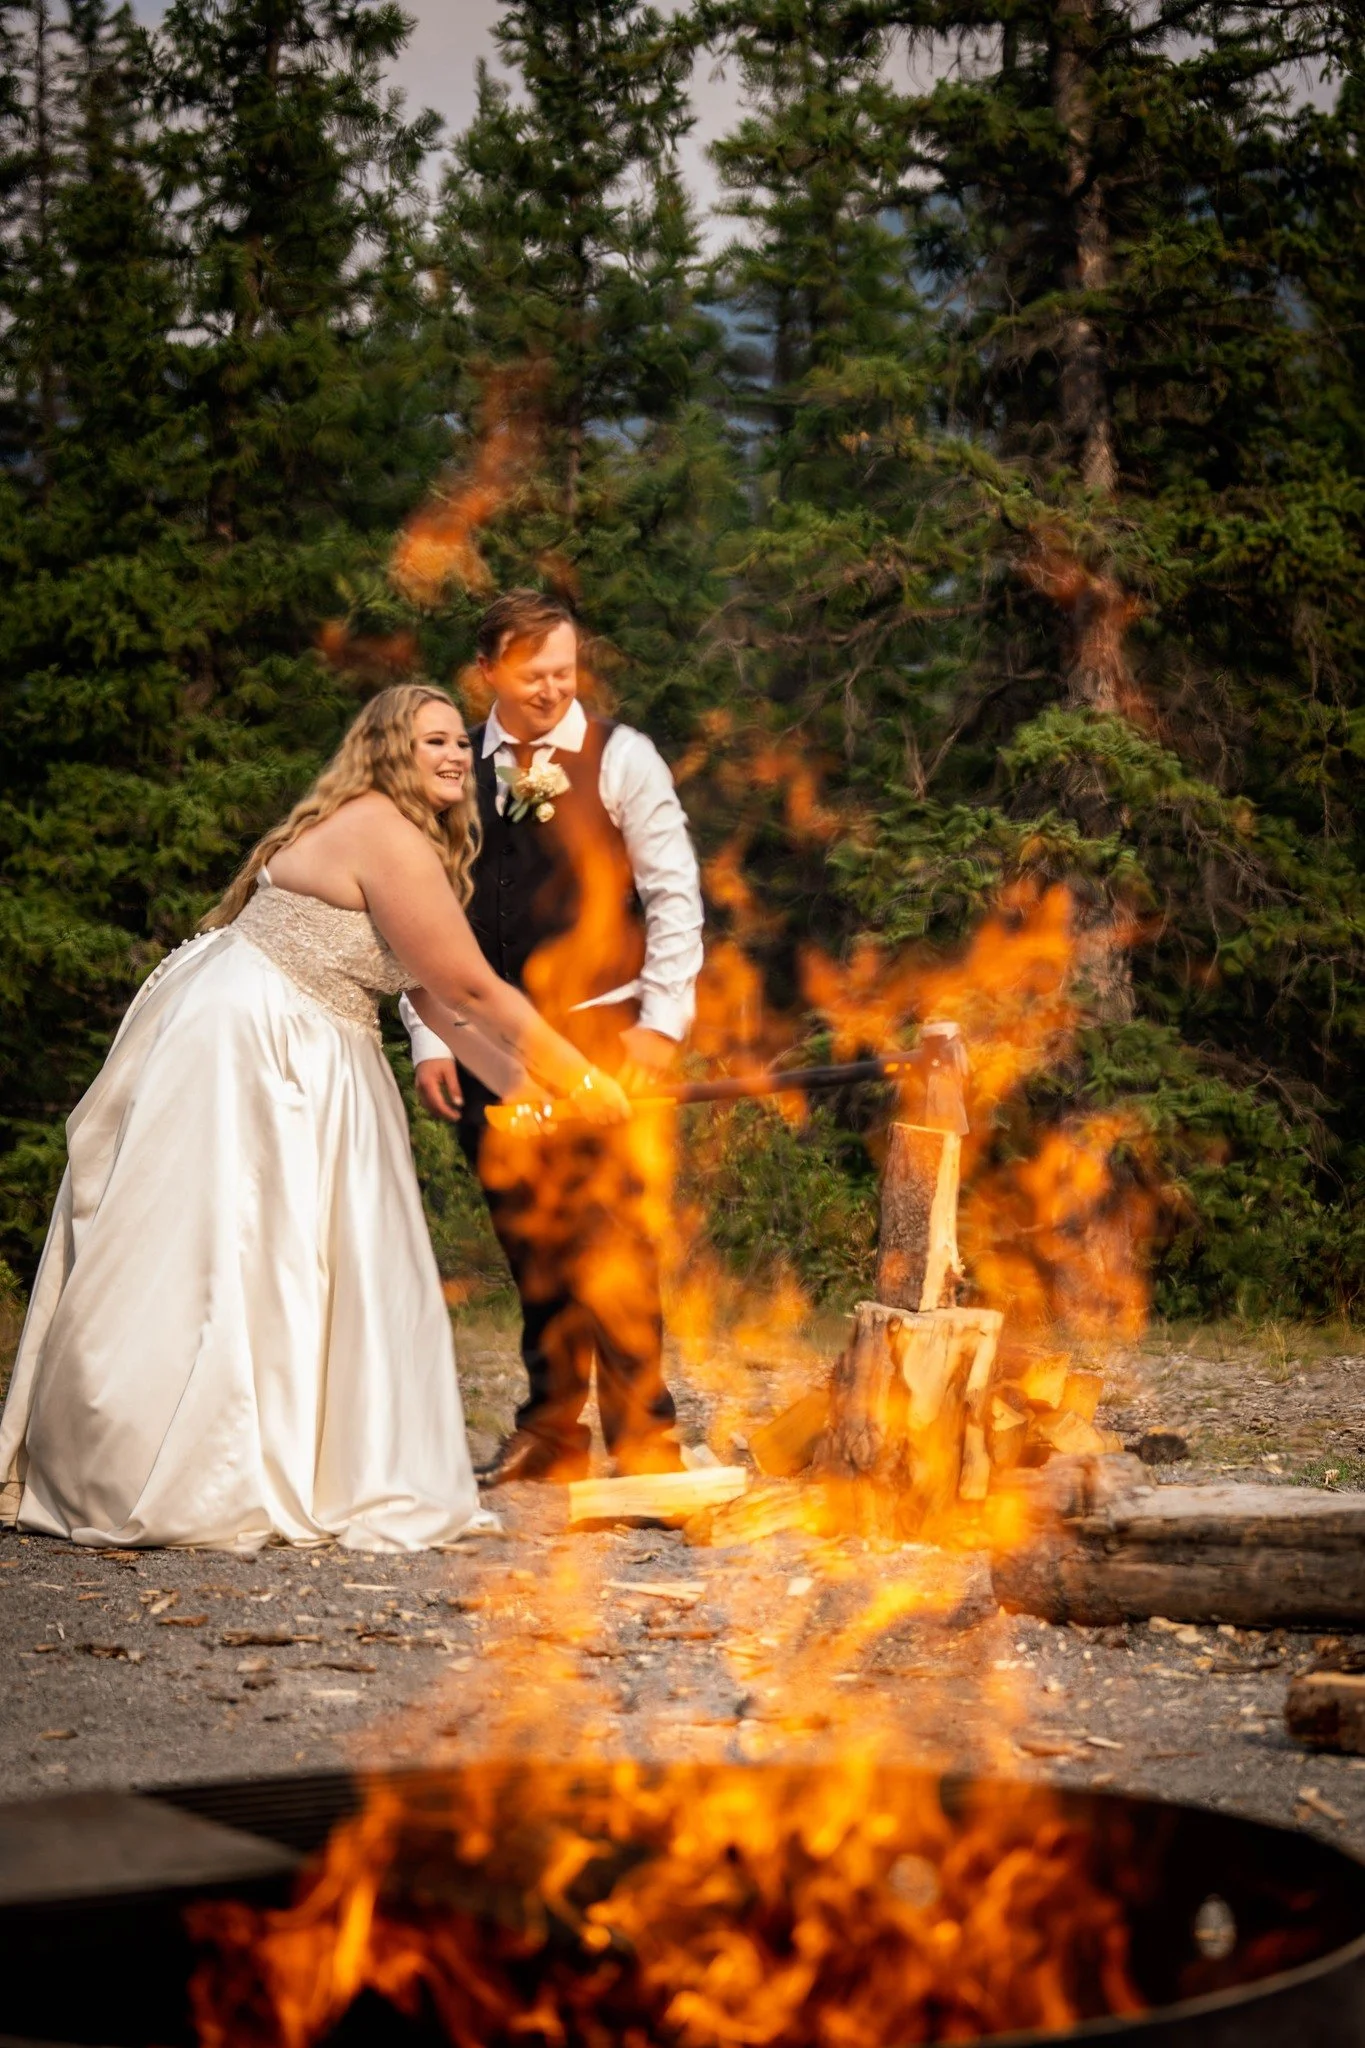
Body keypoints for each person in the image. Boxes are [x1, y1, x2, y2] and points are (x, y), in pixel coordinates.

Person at [0, 684, 627, 1552]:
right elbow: (473, 987)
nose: (453, 755)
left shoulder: (398, 840)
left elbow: (442, 1014)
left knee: (282, 1253)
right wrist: (582, 1073)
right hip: (263, 1038)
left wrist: (538, 1095)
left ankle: (279, 1453)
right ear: (383, 751)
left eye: (457, 741)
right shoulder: (383, 830)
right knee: (226, 1248)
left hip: (312, 1033)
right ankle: (161, 1464)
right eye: (430, 741)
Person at [401, 590, 704, 1488]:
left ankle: (645, 1436)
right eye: (532, 674)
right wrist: (426, 1036)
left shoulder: (622, 758)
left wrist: (660, 1027)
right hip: (484, 1044)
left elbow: (676, 896)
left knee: (611, 1237)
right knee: (527, 1238)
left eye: (564, 672)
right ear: (487, 669)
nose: (550, 689)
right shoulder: (454, 762)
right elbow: (419, 914)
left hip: (601, 1033)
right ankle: (550, 1429)